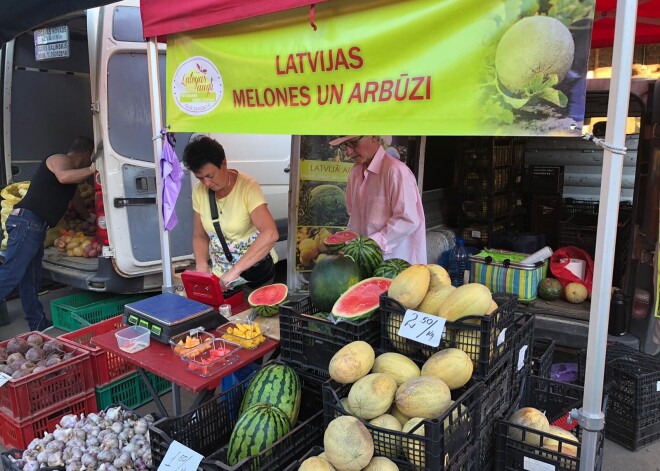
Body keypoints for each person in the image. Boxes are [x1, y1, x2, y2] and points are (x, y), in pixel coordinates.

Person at [0, 136, 96, 330]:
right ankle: (37, 323)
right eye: (92, 158)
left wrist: (90, 218)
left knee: (31, 279)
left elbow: (77, 201)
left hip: (35, 227)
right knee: (11, 273)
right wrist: (95, 169)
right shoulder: (61, 159)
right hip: (26, 223)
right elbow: (63, 176)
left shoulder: (72, 180)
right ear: (86, 155)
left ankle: (38, 325)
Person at [183, 136, 279, 291]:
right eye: (200, 178)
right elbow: (200, 235)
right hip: (220, 279)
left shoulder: (248, 188)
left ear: (223, 163)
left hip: (254, 273)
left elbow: (270, 234)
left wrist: (235, 271)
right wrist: (201, 266)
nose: (206, 183)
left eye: (210, 175)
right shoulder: (199, 191)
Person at [330, 135, 427, 264]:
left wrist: (371, 244)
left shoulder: (396, 172)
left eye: (353, 143)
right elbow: (353, 215)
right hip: (362, 259)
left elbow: (407, 220)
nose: (348, 152)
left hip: (394, 262)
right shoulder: (355, 172)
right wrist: (348, 243)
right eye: (344, 145)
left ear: (373, 137)